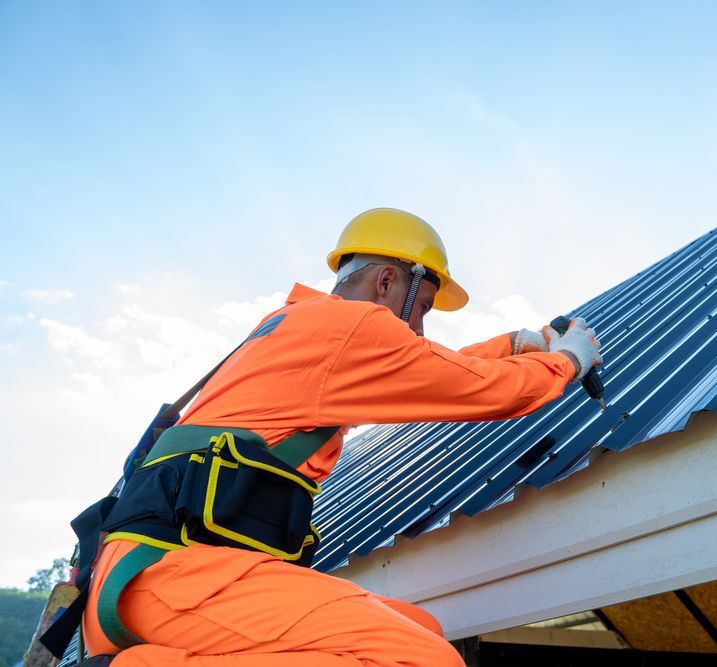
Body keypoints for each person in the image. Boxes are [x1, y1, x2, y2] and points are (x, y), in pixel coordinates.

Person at [80, 208, 602, 666]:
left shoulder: (299, 327)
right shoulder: (353, 328)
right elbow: (482, 390)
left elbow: (429, 368)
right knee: (419, 661)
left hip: (152, 575)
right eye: (421, 308)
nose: (419, 328)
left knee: (423, 630)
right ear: (386, 283)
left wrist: (514, 344)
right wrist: (568, 360)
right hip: (178, 576)